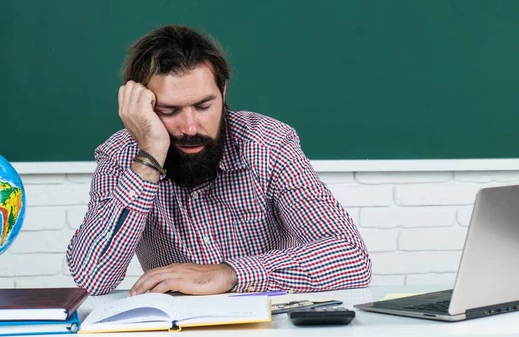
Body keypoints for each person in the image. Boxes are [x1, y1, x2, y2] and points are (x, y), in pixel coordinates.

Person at [66, 25, 372, 296]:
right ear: (141, 107)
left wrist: (229, 273)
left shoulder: (269, 144)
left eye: (203, 106)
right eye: (169, 111)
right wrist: (150, 154)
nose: (189, 128)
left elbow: (351, 258)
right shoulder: (120, 156)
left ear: (222, 92)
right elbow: (93, 279)